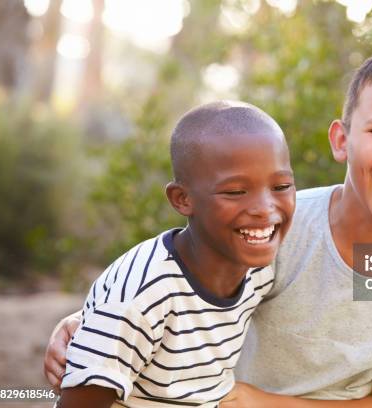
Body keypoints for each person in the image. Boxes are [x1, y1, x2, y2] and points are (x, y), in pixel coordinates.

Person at [46, 45, 372, 408]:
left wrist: (255, 400)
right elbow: (173, 284)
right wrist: (89, 321)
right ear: (342, 140)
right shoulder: (276, 222)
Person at [53, 101, 296, 408]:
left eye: (282, 186)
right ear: (182, 199)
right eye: (235, 191)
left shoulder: (259, 265)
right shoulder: (140, 301)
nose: (265, 208)